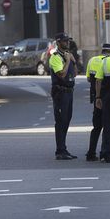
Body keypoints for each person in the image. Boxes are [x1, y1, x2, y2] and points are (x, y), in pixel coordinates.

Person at [49, 32, 78, 160]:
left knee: (66, 120)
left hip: (69, 91)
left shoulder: (68, 55)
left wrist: (74, 62)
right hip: (60, 93)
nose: (67, 43)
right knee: (60, 122)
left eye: (68, 41)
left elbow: (75, 74)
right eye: (65, 41)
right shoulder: (55, 57)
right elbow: (61, 74)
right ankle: (60, 151)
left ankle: (64, 149)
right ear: (58, 42)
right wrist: (67, 61)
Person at [85, 43, 110, 161]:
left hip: (96, 99)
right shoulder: (109, 61)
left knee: (96, 127)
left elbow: (88, 78)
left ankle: (91, 153)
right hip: (107, 98)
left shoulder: (92, 60)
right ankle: (105, 153)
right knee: (108, 126)